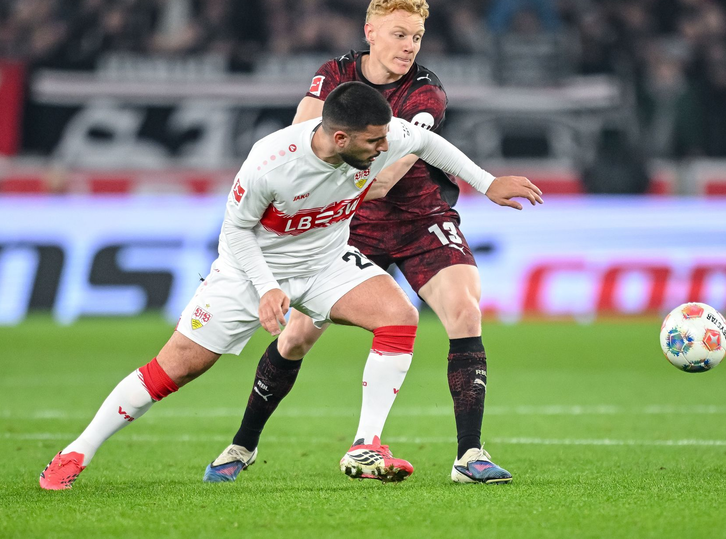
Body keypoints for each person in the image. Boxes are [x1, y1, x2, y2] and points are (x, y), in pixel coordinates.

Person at [39, 81, 543, 490]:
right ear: (339, 138)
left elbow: (428, 141)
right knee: (173, 369)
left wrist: (486, 182)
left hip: (326, 262)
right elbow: (234, 233)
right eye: (373, 143)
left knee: (398, 315)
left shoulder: (379, 138)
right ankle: (76, 451)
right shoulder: (271, 161)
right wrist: (264, 288)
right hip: (248, 271)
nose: (383, 150)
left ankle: (365, 444)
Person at [205, 0, 522, 486]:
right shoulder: (333, 75)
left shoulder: (426, 92)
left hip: (419, 216)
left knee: (465, 311)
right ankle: (243, 443)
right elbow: (298, 140)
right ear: (370, 32)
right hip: (347, 221)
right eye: (399, 34)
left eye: (416, 37)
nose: (408, 46)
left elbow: (388, 176)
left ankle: (470, 455)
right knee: (296, 337)